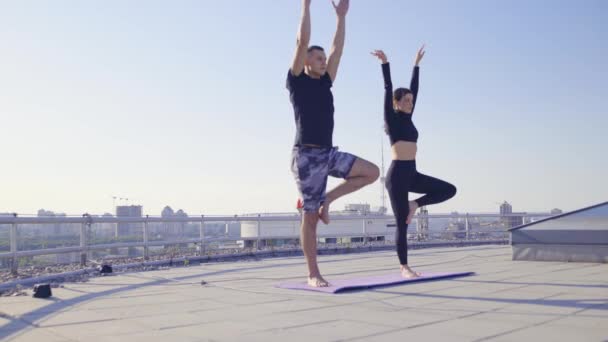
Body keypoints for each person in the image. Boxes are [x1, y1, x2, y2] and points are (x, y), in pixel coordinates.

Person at [287, 0, 379, 287]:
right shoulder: (296, 81)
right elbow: (302, 41)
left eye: (323, 58)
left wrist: (341, 17)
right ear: (305, 62)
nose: (323, 61)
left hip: (329, 153)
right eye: (317, 58)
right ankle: (313, 273)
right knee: (310, 217)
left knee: (371, 172)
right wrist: (306, 5)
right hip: (306, 156)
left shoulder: (326, 82)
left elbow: (338, 50)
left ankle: (329, 199)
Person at [371, 46, 457, 278]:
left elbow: (415, 89)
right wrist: (385, 63)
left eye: (411, 100)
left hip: (412, 173)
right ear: (396, 103)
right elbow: (388, 88)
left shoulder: (409, 118)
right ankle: (404, 267)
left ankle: (415, 204)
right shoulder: (392, 119)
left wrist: (416, 64)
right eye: (406, 100)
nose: (411, 102)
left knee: (449, 190)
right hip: (397, 175)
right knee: (402, 224)